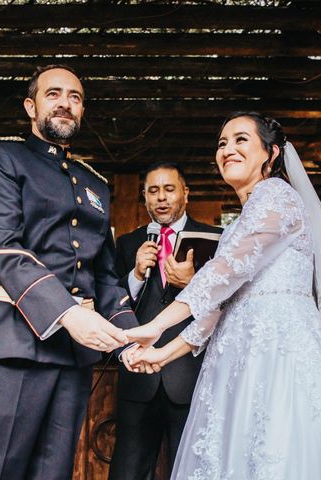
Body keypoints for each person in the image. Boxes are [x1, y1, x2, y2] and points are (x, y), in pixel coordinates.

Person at [122, 112, 321, 479]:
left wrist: (155, 325)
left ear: (270, 154)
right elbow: (216, 309)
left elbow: (225, 272)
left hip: (280, 356)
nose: (227, 149)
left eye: (241, 140)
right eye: (222, 143)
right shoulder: (237, 225)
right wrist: (162, 354)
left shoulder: (278, 198)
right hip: (236, 361)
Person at [0, 65, 137, 480]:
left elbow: (106, 275)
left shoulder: (94, 183)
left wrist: (129, 340)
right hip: (11, 344)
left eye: (75, 97)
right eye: (53, 94)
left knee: (53, 472)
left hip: (71, 358)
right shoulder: (2, 157)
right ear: (31, 106)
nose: (65, 103)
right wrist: (70, 313)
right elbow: (1, 243)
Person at [109, 162, 222, 480]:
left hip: (191, 376)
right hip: (138, 374)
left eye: (169, 189)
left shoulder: (215, 238)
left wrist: (193, 283)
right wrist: (134, 275)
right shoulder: (129, 243)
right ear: (144, 197)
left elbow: (228, 305)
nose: (161, 197)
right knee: (127, 470)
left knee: (189, 470)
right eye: (153, 191)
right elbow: (112, 301)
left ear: (185, 193)